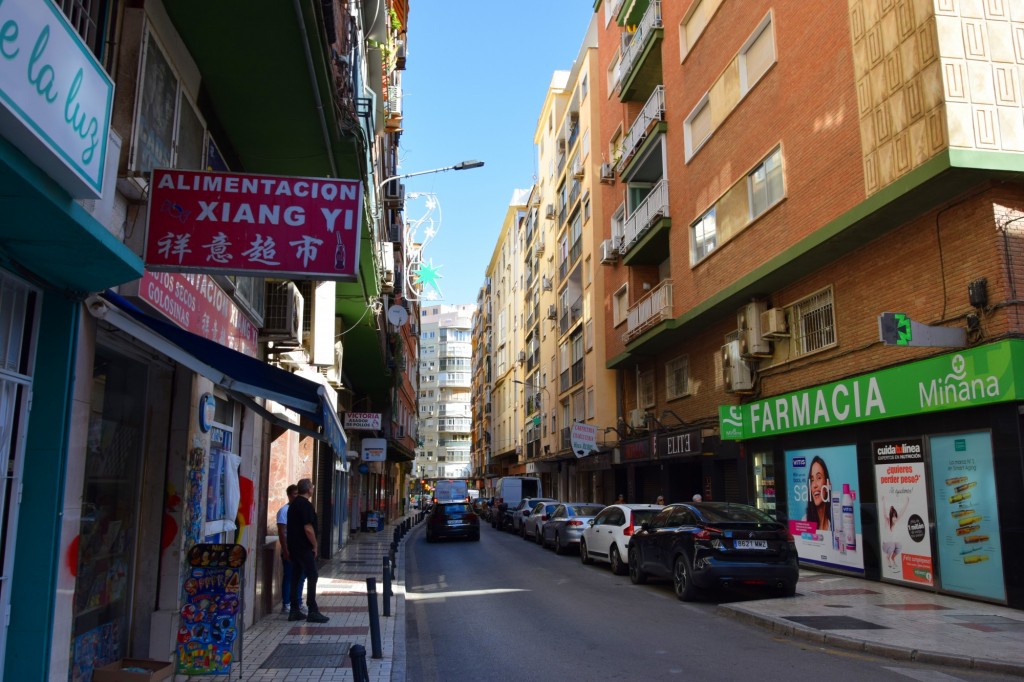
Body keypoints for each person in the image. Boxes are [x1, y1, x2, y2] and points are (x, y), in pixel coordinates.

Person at [287, 478, 329, 623]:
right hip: (304, 547)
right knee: (312, 574)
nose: (313, 488)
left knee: (296, 575)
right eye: (312, 486)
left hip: (294, 546)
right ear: (309, 489)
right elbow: (308, 528)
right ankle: (312, 610)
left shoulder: (293, 504)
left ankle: (294, 610)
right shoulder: (305, 505)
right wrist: (315, 545)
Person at [276, 484, 305, 614]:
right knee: (289, 576)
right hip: (290, 550)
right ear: (288, 495)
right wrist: (285, 550)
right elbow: (282, 533)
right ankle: (286, 604)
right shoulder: (284, 511)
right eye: (294, 494)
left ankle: (298, 602)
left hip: (301, 550)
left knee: (301, 576)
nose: (296, 496)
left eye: (298, 494)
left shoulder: (301, 509)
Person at [804, 455, 831, 531]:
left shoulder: (835, 526)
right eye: (812, 480)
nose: (814, 485)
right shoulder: (805, 521)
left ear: (827, 484)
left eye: (819, 478)